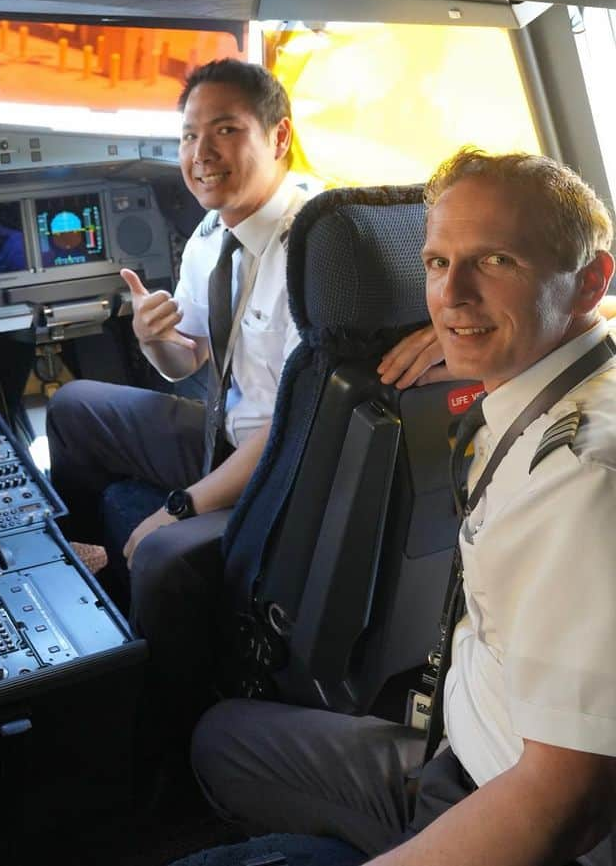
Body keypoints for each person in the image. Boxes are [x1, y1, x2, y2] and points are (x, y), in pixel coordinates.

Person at [190, 148, 616, 866]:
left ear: (590, 282)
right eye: (437, 263)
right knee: (221, 738)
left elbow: (559, 804)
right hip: (466, 729)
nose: (452, 296)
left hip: (491, 794)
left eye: (498, 261)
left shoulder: (580, 482)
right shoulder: (552, 385)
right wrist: (494, 349)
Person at [46, 58, 311, 715]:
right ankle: (92, 577)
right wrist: (152, 337)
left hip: (283, 470)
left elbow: (292, 432)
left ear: (278, 138)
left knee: (163, 549)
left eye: (225, 130)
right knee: (73, 406)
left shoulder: (311, 250)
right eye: (190, 135)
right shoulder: (210, 234)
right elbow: (187, 357)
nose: (201, 155)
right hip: (232, 430)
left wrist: (181, 507)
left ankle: (159, 727)